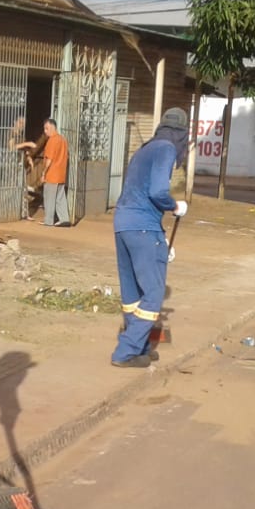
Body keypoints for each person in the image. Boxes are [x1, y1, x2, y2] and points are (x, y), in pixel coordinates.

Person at [110, 107, 190, 368]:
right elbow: (157, 191)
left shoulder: (144, 149)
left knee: (132, 291)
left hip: (123, 223)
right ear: (181, 134)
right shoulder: (167, 149)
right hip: (143, 225)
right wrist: (175, 206)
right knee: (154, 291)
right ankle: (126, 351)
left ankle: (141, 346)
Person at [38, 118, 70, 226]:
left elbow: (49, 159)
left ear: (52, 128)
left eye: (46, 128)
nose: (45, 131)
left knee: (49, 199)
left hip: (52, 174)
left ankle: (48, 221)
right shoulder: (63, 140)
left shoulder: (52, 140)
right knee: (60, 198)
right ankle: (64, 219)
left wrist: (43, 173)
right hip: (61, 174)